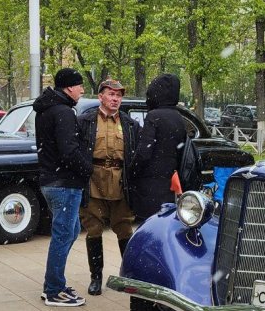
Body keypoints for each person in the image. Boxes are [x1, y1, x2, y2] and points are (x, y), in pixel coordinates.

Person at [34, 68, 92, 307]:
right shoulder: (64, 112)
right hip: (64, 184)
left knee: (72, 229)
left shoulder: (45, 110)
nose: (82, 90)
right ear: (69, 87)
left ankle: (54, 282)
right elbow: (69, 152)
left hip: (51, 181)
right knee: (63, 234)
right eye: (79, 86)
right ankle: (54, 289)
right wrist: (88, 168)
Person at [78, 79, 140, 296]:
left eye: (119, 96)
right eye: (111, 95)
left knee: (124, 229)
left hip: (121, 182)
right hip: (93, 180)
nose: (115, 99)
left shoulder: (131, 124)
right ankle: (96, 277)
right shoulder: (85, 121)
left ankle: (131, 277)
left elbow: (136, 155)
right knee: (93, 229)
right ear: (100, 97)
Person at [129, 73, 187, 221]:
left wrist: (131, 171)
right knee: (164, 222)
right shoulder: (179, 117)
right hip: (169, 182)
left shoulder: (154, 116)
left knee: (148, 224)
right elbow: (180, 150)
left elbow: (144, 152)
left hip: (150, 183)